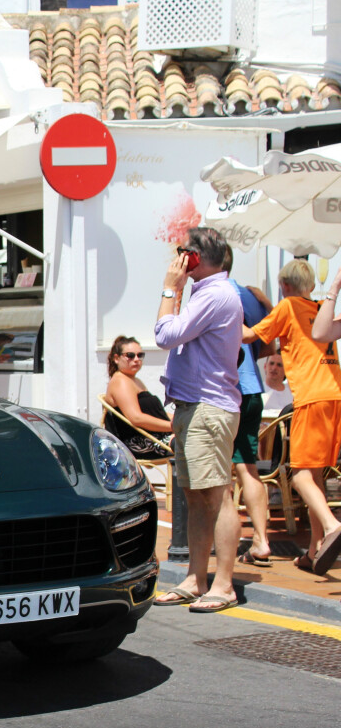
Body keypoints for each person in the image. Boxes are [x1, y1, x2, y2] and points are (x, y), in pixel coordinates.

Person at [152, 227, 244, 613]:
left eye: (181, 253)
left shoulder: (216, 294)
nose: (177, 260)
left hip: (208, 407)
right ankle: (196, 577)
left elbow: (165, 334)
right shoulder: (208, 292)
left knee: (217, 496)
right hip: (196, 406)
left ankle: (223, 583)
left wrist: (169, 288)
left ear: (193, 258)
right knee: (194, 497)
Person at [252, 259, 341, 576]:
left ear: (285, 286)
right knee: (314, 476)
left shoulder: (288, 306)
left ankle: (332, 526)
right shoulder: (319, 308)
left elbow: (251, 335)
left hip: (311, 398)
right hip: (333, 395)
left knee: (300, 476)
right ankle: (315, 549)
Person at [226, 246, 275, 567]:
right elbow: (267, 346)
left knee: (222, 473)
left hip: (228, 391)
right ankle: (261, 539)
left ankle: (227, 540)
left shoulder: (219, 292)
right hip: (253, 388)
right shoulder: (250, 295)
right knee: (248, 468)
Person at [103, 335, 173, 459]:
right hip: (139, 442)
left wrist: (183, 420)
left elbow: (158, 413)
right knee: (198, 440)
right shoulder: (121, 382)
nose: (136, 359)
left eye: (140, 355)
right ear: (116, 358)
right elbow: (136, 418)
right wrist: (174, 426)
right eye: (130, 355)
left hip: (157, 436)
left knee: (200, 433)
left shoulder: (135, 381)